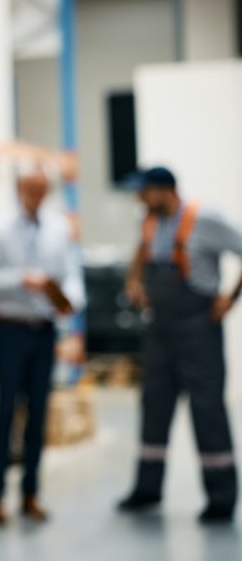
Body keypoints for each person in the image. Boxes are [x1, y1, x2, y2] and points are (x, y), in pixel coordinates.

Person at [118, 166, 240, 523]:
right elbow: (139, 255)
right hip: (160, 332)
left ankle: (221, 499)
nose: (139, 199)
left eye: (144, 192)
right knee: (153, 408)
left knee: (207, 410)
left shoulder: (207, 219)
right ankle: (147, 489)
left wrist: (232, 298)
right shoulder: (150, 222)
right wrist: (133, 282)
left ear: (165, 190)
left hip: (198, 329)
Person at [0, 166, 86, 525]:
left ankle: (31, 493)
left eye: (43, 188)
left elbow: (71, 274)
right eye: (31, 187)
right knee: (6, 411)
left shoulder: (58, 227)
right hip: (11, 328)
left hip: (44, 330)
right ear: (20, 187)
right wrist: (21, 280)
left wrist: (68, 300)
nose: (37, 194)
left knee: (38, 413)